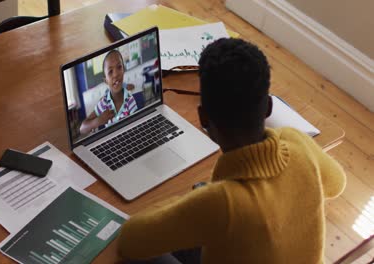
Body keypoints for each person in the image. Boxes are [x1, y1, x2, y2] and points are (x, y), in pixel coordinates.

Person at [117, 38, 346, 263]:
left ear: (203, 117)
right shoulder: (297, 142)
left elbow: (130, 240)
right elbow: (337, 183)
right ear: (267, 106)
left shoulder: (220, 203)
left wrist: (192, 202)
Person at [80, 50, 137, 135]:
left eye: (119, 67)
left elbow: (136, 127)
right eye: (110, 72)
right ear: (105, 80)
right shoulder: (104, 103)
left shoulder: (130, 100)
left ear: (123, 70)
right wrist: (98, 121)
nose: (116, 74)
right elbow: (82, 129)